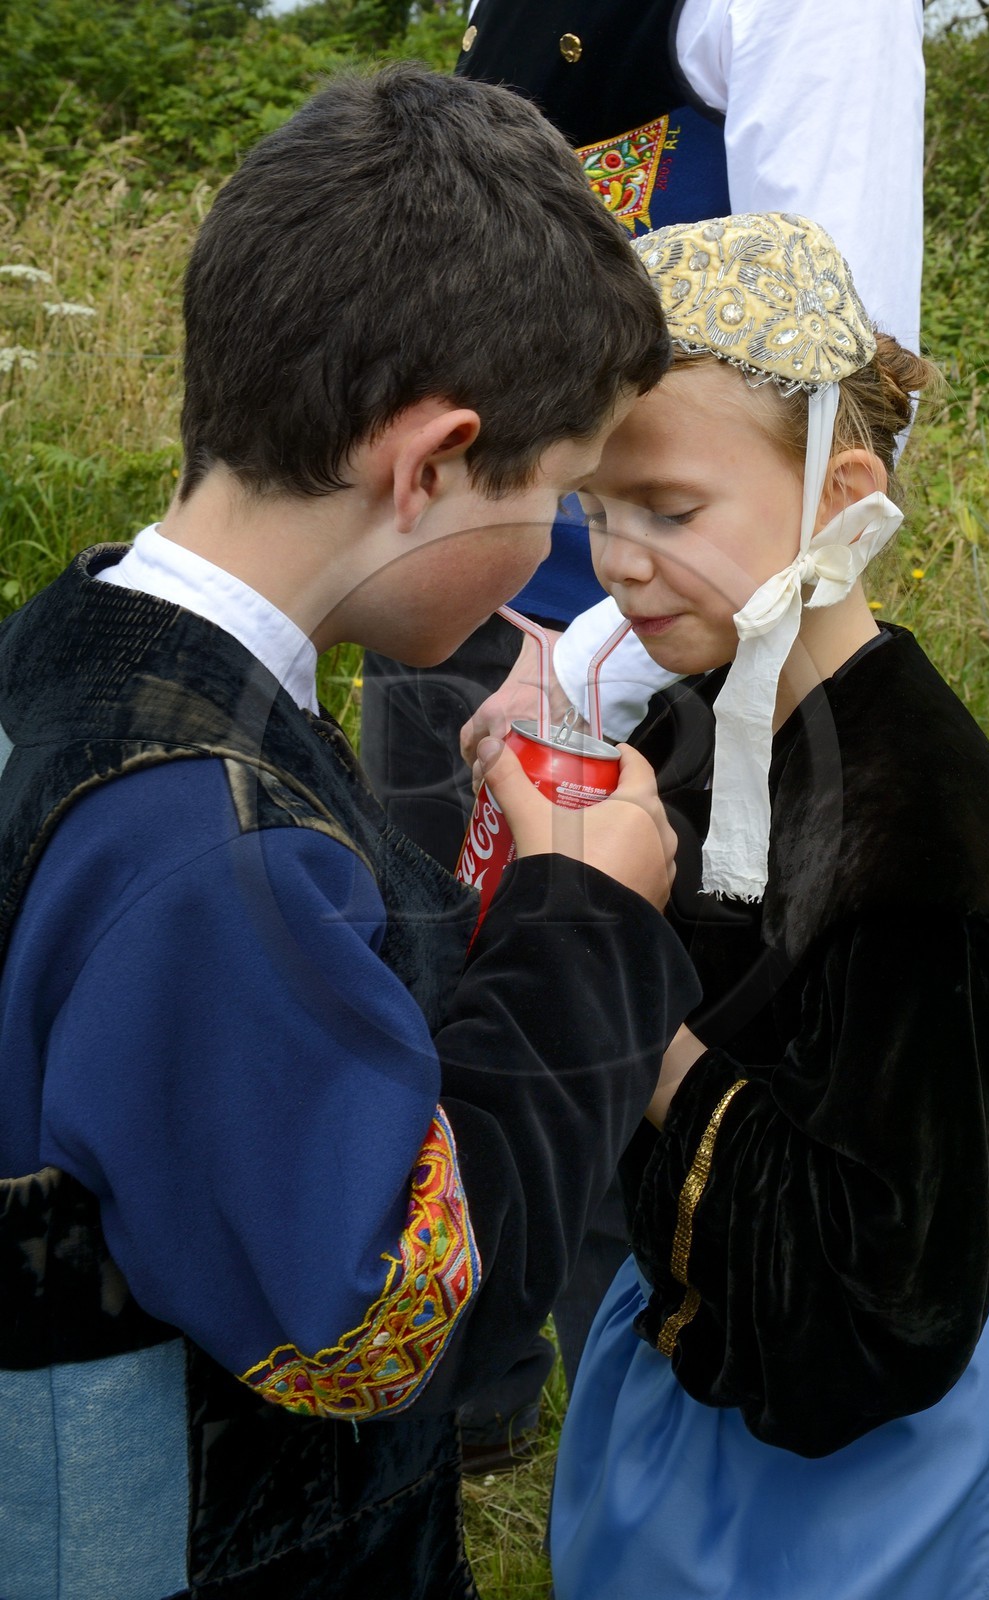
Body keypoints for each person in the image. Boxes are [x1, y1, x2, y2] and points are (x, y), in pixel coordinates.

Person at [0, 65, 702, 1600]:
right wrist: (586, 922)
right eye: (564, 493)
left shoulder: (75, 654)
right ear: (433, 464)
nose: (565, 549)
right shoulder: (209, 858)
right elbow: (391, 1326)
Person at [359, 1, 925, 1442]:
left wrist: (602, 667)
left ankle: (659, 1437)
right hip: (447, 604)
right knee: (429, 1000)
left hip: (647, 651)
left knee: (634, 1059)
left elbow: (839, 376)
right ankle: (452, 1397)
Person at [545, 212, 989, 1600]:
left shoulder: (938, 864)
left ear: (839, 498)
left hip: (874, 1491)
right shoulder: (694, 731)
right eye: (597, 507)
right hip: (680, 1390)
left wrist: (639, 1021)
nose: (616, 559)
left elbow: (883, 1313)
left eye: (667, 509)